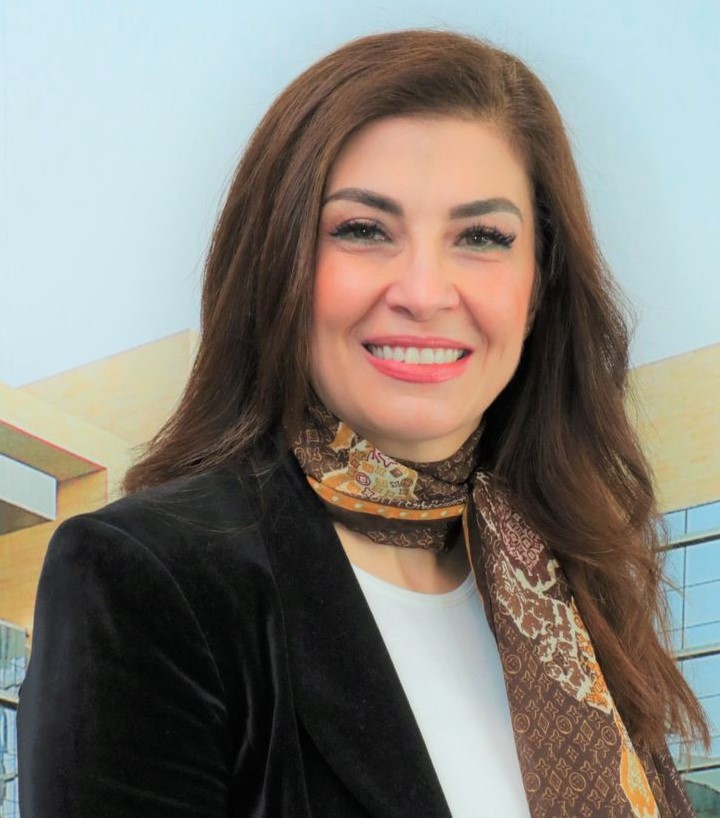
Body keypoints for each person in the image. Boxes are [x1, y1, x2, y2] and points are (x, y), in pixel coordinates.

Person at [17, 28, 708, 818]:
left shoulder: (573, 588)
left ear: (538, 290)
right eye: (363, 230)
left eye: (481, 237)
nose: (424, 291)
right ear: (278, 264)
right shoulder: (144, 583)